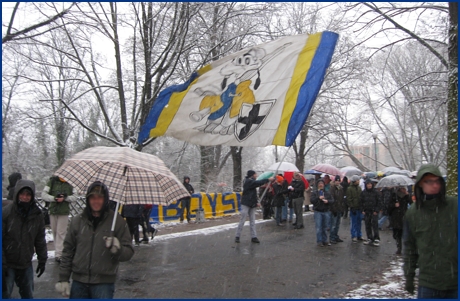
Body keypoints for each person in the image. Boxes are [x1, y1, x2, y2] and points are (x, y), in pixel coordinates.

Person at [55, 181, 134, 299]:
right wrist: (63, 279)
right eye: (92, 197)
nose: (96, 201)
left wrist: (118, 249)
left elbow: (128, 252)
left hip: (103, 284)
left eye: (100, 198)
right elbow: (68, 251)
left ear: (105, 199)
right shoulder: (78, 221)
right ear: (88, 199)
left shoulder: (117, 222)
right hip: (79, 282)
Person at [403, 164, 457, 299]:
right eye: (429, 181)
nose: (435, 185)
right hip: (428, 282)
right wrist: (409, 276)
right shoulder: (413, 214)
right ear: (420, 184)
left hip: (455, 280)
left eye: (437, 181)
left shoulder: (454, 206)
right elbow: (410, 248)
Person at [2, 179, 47, 299]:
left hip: (25, 263)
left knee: (28, 295)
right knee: (5, 294)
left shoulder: (37, 215)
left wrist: (42, 259)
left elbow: (40, 239)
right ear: (17, 194)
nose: (25, 197)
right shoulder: (6, 213)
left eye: (28, 195)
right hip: (8, 264)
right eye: (22, 194)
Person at [41, 176, 78, 263]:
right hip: (52, 211)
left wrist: (65, 198)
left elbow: (75, 196)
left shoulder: (70, 183)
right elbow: (44, 195)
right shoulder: (52, 181)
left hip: (64, 212)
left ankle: (59, 254)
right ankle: (58, 252)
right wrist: (54, 198)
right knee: (55, 232)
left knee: (61, 233)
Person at [234, 170, 273, 243]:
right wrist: (267, 180)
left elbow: (253, 194)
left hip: (252, 204)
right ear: (252, 175)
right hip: (245, 203)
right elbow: (257, 183)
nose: (256, 175)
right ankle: (237, 236)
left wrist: (256, 202)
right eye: (255, 174)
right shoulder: (248, 181)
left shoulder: (251, 182)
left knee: (252, 221)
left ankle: (254, 237)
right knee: (242, 220)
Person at [311, 179, 334, 247]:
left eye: (322, 183)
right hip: (318, 211)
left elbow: (332, 200)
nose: (321, 185)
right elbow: (312, 200)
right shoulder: (315, 193)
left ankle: (325, 240)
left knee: (325, 227)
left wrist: (327, 201)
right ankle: (319, 241)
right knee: (319, 227)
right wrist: (318, 198)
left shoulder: (327, 193)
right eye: (319, 184)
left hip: (326, 211)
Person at [387, 187, 410, 255]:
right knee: (396, 234)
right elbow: (389, 206)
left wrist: (408, 195)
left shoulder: (406, 196)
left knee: (403, 234)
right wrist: (394, 205)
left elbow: (411, 203)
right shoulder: (394, 195)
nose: (404, 190)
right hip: (395, 217)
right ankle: (399, 246)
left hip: (403, 216)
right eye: (403, 189)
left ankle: (400, 248)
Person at [360, 179, 382, 246]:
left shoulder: (376, 192)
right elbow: (361, 202)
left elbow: (379, 202)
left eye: (370, 184)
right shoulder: (363, 192)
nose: (369, 185)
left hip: (374, 211)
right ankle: (369, 238)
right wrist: (362, 210)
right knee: (367, 225)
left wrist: (377, 210)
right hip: (367, 211)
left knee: (375, 225)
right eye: (368, 184)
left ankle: (376, 238)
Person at [346, 175, 363, 243]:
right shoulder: (349, 189)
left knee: (359, 222)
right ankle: (354, 235)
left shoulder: (359, 188)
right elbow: (349, 199)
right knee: (354, 223)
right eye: (358, 180)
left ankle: (359, 235)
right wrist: (352, 207)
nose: (358, 181)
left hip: (359, 208)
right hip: (354, 208)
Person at [329, 175, 345, 243]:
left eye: (339, 181)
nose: (337, 182)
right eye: (336, 181)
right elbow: (332, 200)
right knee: (333, 224)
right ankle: (332, 237)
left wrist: (342, 209)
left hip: (339, 208)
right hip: (334, 209)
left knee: (337, 224)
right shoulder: (332, 189)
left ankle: (336, 236)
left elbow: (341, 200)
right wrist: (333, 209)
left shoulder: (341, 189)